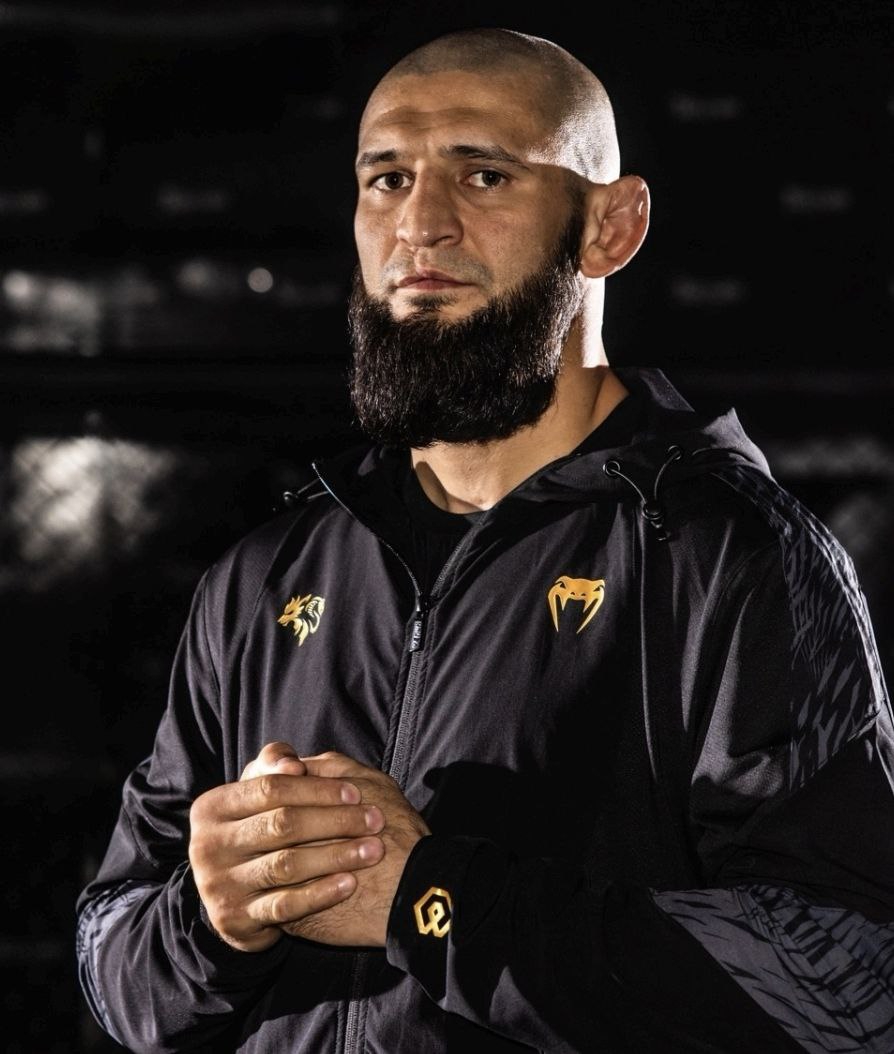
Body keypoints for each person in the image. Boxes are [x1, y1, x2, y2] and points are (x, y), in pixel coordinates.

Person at [77, 27, 894, 1054]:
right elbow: (114, 962)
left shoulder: (732, 554)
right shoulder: (266, 574)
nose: (421, 223)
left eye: (484, 175)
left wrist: (432, 902)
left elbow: (846, 979)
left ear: (610, 227)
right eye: (387, 179)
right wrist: (215, 920)